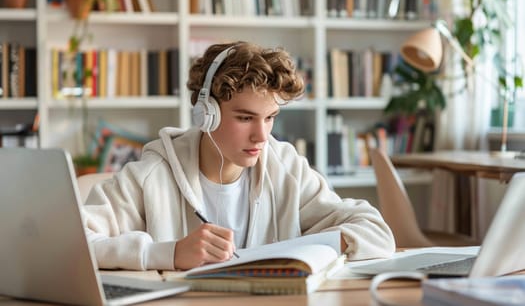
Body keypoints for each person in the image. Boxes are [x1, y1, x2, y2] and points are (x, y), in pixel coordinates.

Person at [82, 41, 395, 271]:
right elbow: (75, 243)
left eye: (270, 118)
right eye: (245, 118)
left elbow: (375, 231)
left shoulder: (285, 166)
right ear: (207, 115)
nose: (262, 136)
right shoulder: (152, 175)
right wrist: (169, 253)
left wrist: (318, 246)